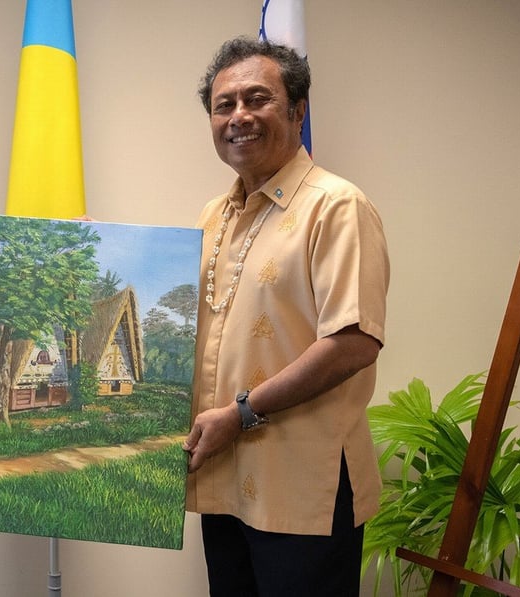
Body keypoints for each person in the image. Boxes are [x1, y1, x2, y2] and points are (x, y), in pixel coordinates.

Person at [182, 36, 389, 596]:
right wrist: (90, 244)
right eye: (224, 105)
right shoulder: (212, 215)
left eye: (257, 99)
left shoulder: (336, 205)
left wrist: (242, 413)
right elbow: (184, 319)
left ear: (297, 111)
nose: (239, 116)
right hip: (224, 478)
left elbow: (353, 342)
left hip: (305, 491)